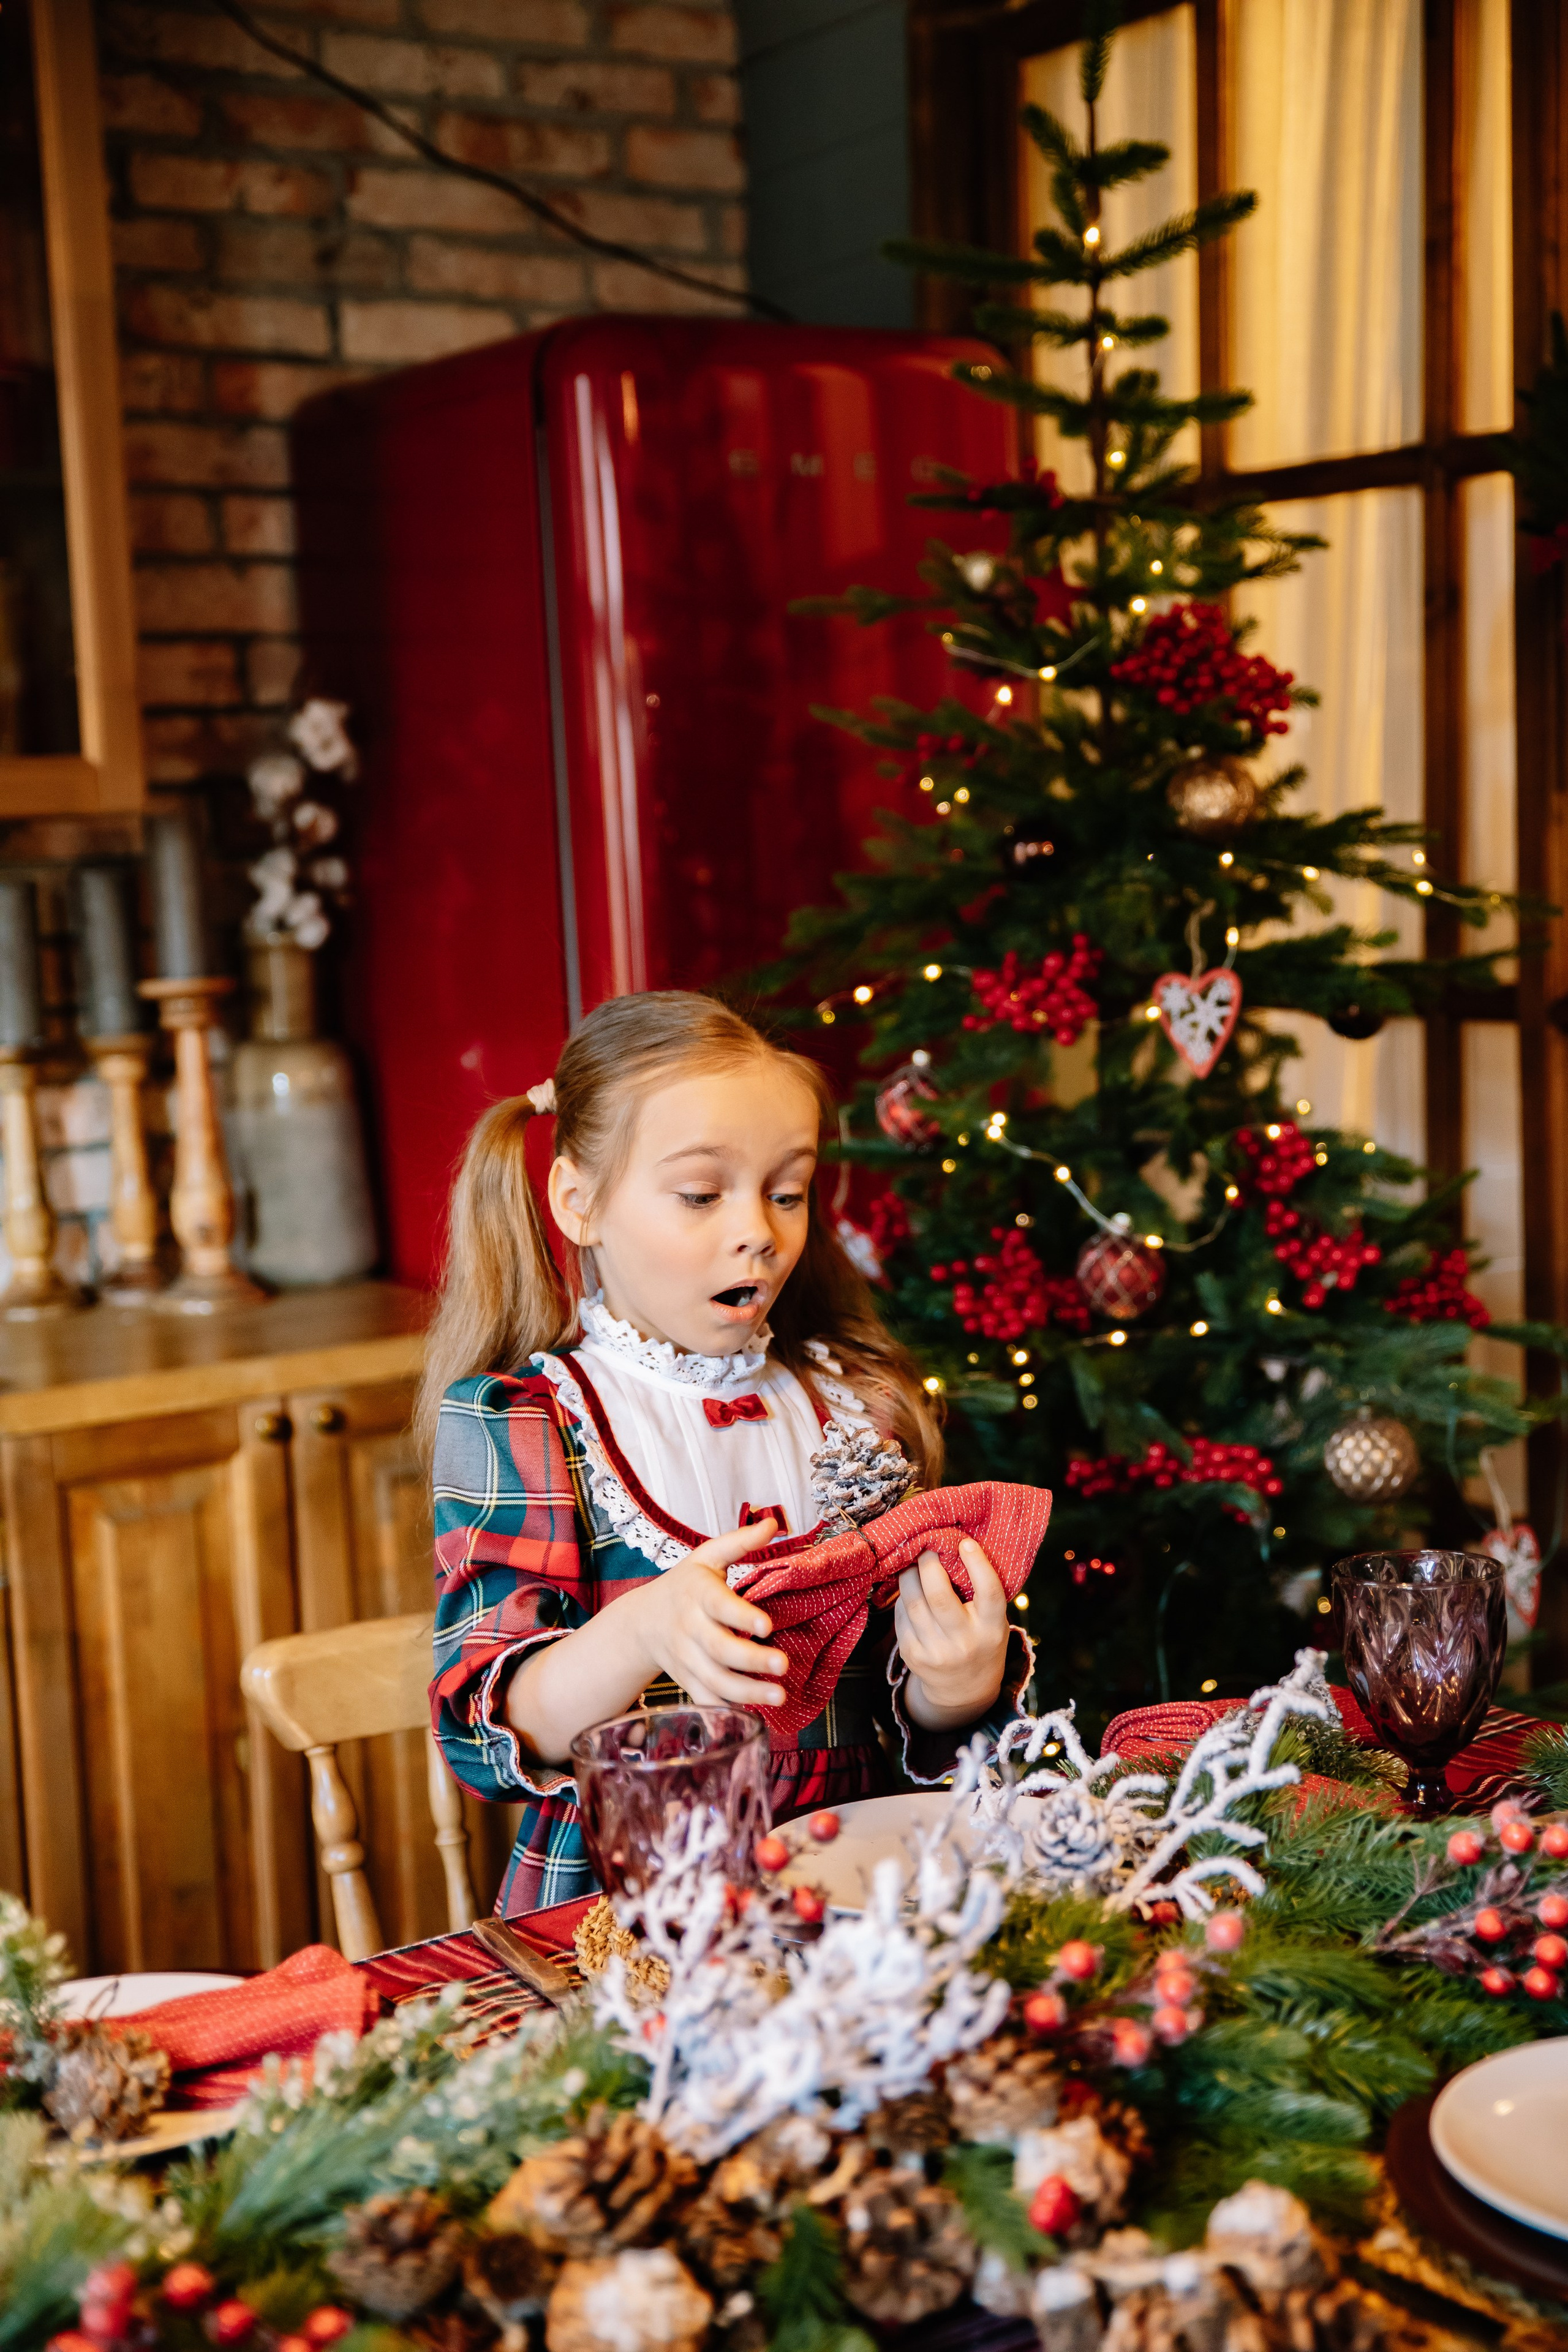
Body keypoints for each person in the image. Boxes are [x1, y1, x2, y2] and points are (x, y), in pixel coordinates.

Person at [422, 991, 1032, 1913]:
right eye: (703, 1194)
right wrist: (640, 1632)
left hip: (854, 1891)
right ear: (578, 1202)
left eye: (786, 1192)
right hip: (634, 1916)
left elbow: (913, 1718)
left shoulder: (857, 1405)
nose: (759, 1229)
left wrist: (958, 1684)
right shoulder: (532, 1420)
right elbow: (486, 1730)